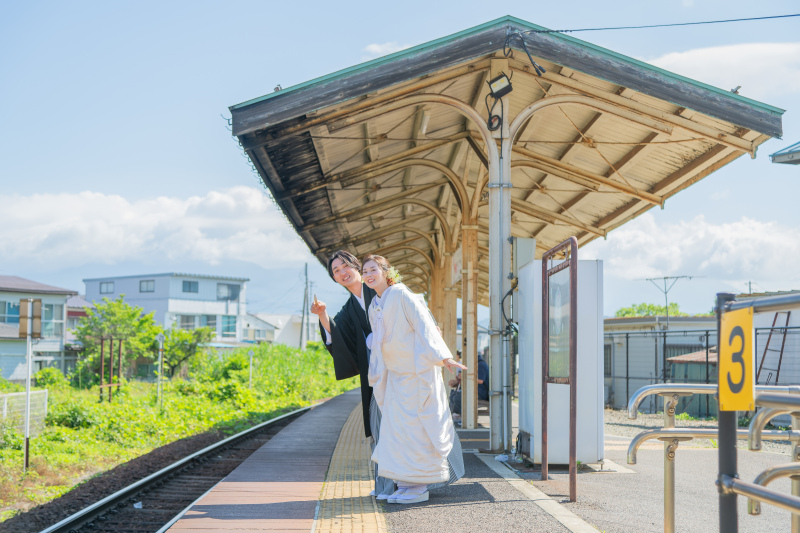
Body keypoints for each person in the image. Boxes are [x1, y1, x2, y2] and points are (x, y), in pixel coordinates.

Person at [363, 254, 467, 504]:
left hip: (416, 375)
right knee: (397, 432)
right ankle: (405, 483)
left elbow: (425, 326)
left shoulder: (402, 295)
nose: (368, 274)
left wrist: (444, 357)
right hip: (396, 378)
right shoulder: (374, 305)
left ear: (386, 271)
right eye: (365, 270)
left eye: (373, 269)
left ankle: (419, 485)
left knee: (416, 430)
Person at [309, 250, 394, 499]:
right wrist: (323, 314)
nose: (342, 272)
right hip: (375, 376)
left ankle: (410, 482)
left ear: (358, 267)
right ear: (334, 279)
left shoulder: (383, 291)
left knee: (399, 426)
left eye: (345, 266)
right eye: (335, 271)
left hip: (398, 369)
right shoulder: (348, 310)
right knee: (379, 429)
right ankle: (385, 485)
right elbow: (338, 336)